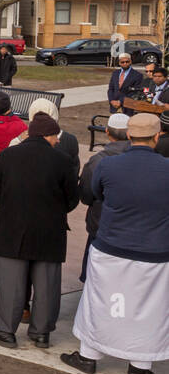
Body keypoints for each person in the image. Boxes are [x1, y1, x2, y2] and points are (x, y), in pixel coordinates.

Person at [67, 113, 169, 374]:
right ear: (157, 136)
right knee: (149, 310)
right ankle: (139, 367)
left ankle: (88, 356)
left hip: (111, 244)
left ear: (129, 135)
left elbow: (98, 195)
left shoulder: (108, 165)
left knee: (100, 302)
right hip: (155, 251)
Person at [0, 113, 79, 350]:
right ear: (48, 135)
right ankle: (41, 332)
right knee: (47, 285)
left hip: (13, 227)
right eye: (56, 136)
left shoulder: (8, 155)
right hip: (50, 231)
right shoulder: (63, 160)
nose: (57, 140)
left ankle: (5, 330)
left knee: (12, 284)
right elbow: (71, 199)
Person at [77, 112, 130, 282]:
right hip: (127, 227)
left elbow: (85, 195)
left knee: (92, 271)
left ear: (107, 132)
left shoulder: (96, 161)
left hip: (100, 222)